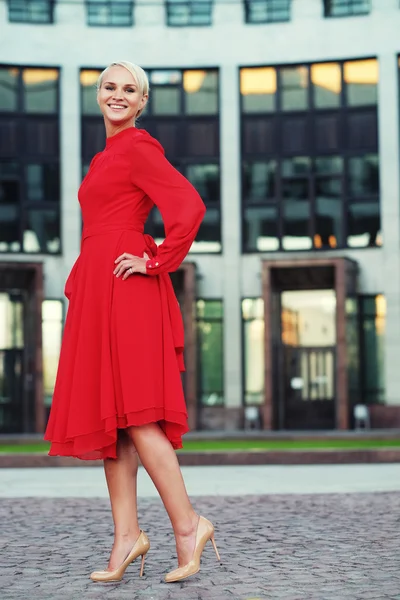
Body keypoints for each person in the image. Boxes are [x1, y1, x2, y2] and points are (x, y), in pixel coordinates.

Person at [44, 60, 221, 583]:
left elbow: (188, 205)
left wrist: (156, 260)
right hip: (101, 288)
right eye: (109, 86)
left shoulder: (138, 147)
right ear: (98, 94)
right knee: (113, 422)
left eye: (129, 90)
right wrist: (83, 273)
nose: (117, 95)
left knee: (140, 416)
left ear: (142, 102)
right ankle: (128, 539)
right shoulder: (104, 156)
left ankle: (188, 527)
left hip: (130, 289)